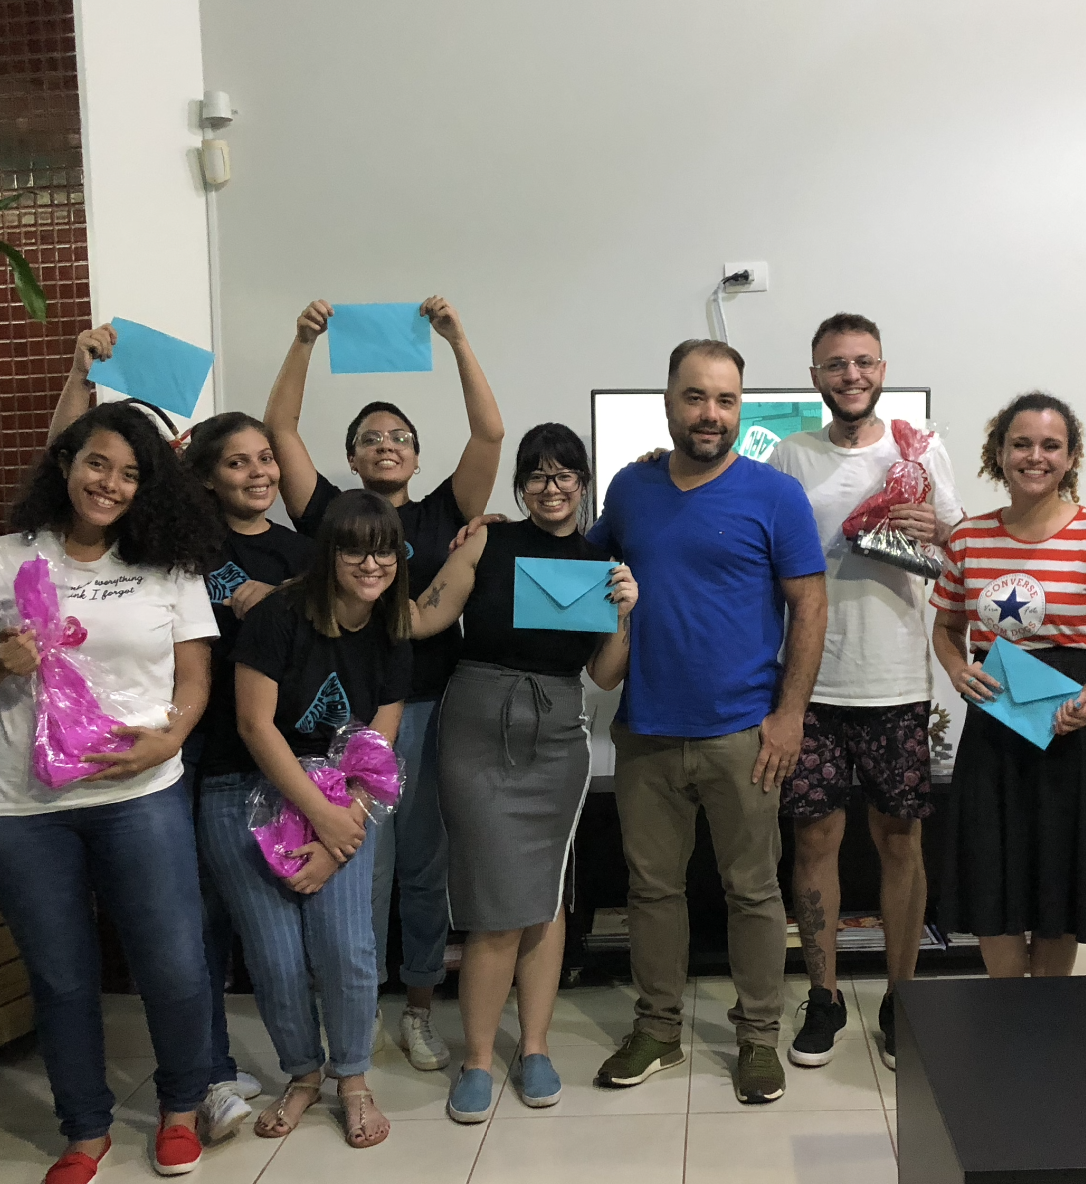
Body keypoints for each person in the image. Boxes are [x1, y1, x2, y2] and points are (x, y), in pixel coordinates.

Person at [0, 381, 221, 1182]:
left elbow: (195, 674)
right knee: (62, 973)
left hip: (139, 792)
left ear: (146, 486)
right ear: (67, 463)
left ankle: (178, 1106)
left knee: (171, 961)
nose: (110, 483)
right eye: (97, 463)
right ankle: (85, 1129)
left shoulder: (169, 567)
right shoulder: (2, 558)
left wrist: (168, 736)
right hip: (15, 807)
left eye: (129, 473)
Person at [266, 297, 505, 1070]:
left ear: (416, 452)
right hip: (340, 723)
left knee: (425, 864)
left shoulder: (444, 514)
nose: (385, 444)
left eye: (399, 436)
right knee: (360, 861)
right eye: (370, 437)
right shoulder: (330, 516)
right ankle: (357, 1002)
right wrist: (304, 341)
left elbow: (490, 435)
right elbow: (281, 434)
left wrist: (456, 338)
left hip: (434, 710)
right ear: (353, 455)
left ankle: (421, 1005)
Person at [588, 339, 827, 1105]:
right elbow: (582, 573)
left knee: (753, 891)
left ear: (740, 407)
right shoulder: (630, 490)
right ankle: (658, 1028)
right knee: (652, 890)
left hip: (743, 735)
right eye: (696, 397)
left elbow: (810, 604)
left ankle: (758, 1037)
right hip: (647, 728)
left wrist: (789, 715)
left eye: (726, 400)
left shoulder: (774, 495)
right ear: (668, 398)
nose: (710, 414)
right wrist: (505, 529)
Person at [404, 423, 637, 1122]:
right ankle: (478, 1057)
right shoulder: (486, 540)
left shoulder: (600, 563)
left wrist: (626, 614)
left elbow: (601, 674)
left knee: (543, 896)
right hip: (477, 725)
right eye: (537, 474)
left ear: (583, 482)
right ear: (520, 484)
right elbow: (425, 619)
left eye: (565, 473)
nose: (552, 486)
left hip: (559, 731)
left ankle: (533, 1047)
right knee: (492, 903)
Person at [765, 312, 963, 1071]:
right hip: (810, 685)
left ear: (882, 368)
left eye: (863, 362)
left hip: (897, 682)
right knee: (814, 840)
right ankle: (823, 996)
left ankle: (901, 997)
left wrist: (934, 532)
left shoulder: (921, 450)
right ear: (815, 375)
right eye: (835, 364)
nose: (851, 375)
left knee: (899, 840)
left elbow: (961, 555)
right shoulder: (789, 456)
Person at [199, 489, 414, 1148]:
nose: (371, 564)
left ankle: (352, 1079)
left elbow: (380, 741)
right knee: (275, 956)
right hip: (245, 790)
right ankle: (301, 1075)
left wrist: (340, 825)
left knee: (348, 948)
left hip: (345, 795)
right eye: (355, 549)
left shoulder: (391, 627)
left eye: (383, 551)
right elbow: (252, 722)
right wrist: (319, 814)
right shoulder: (279, 615)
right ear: (329, 554)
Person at [930, 392, 1086, 978]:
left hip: (1074, 721)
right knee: (994, 867)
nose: (1035, 456)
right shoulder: (969, 539)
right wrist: (955, 669)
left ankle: (1050, 1009)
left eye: (1051, 445)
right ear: (997, 454)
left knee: (1062, 870)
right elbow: (947, 628)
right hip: (996, 720)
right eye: (1021, 443)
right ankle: (1008, 1006)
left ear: (1071, 456)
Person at [178, 411, 316, 1131]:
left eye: (267, 458)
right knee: (201, 921)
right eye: (237, 463)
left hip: (281, 755)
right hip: (198, 754)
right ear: (206, 475)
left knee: (275, 927)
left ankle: (308, 1064)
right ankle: (211, 1073)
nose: (260, 472)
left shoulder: (301, 552)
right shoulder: (183, 546)